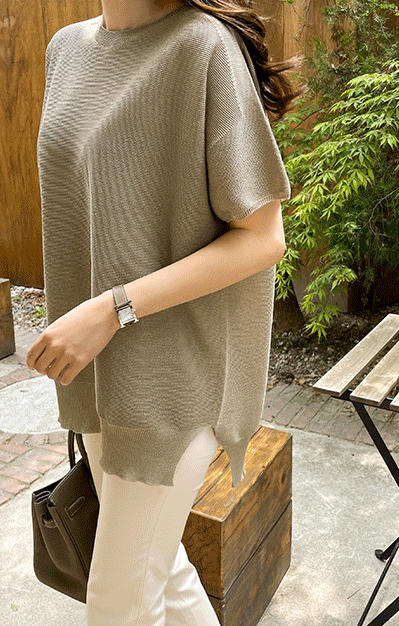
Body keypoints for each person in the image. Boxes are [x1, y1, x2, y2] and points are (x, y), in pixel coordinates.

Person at [27, 0, 303, 623]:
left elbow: (263, 238)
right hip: (94, 369)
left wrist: (112, 309)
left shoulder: (201, 47)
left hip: (174, 379)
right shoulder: (65, 49)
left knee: (117, 606)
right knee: (163, 572)